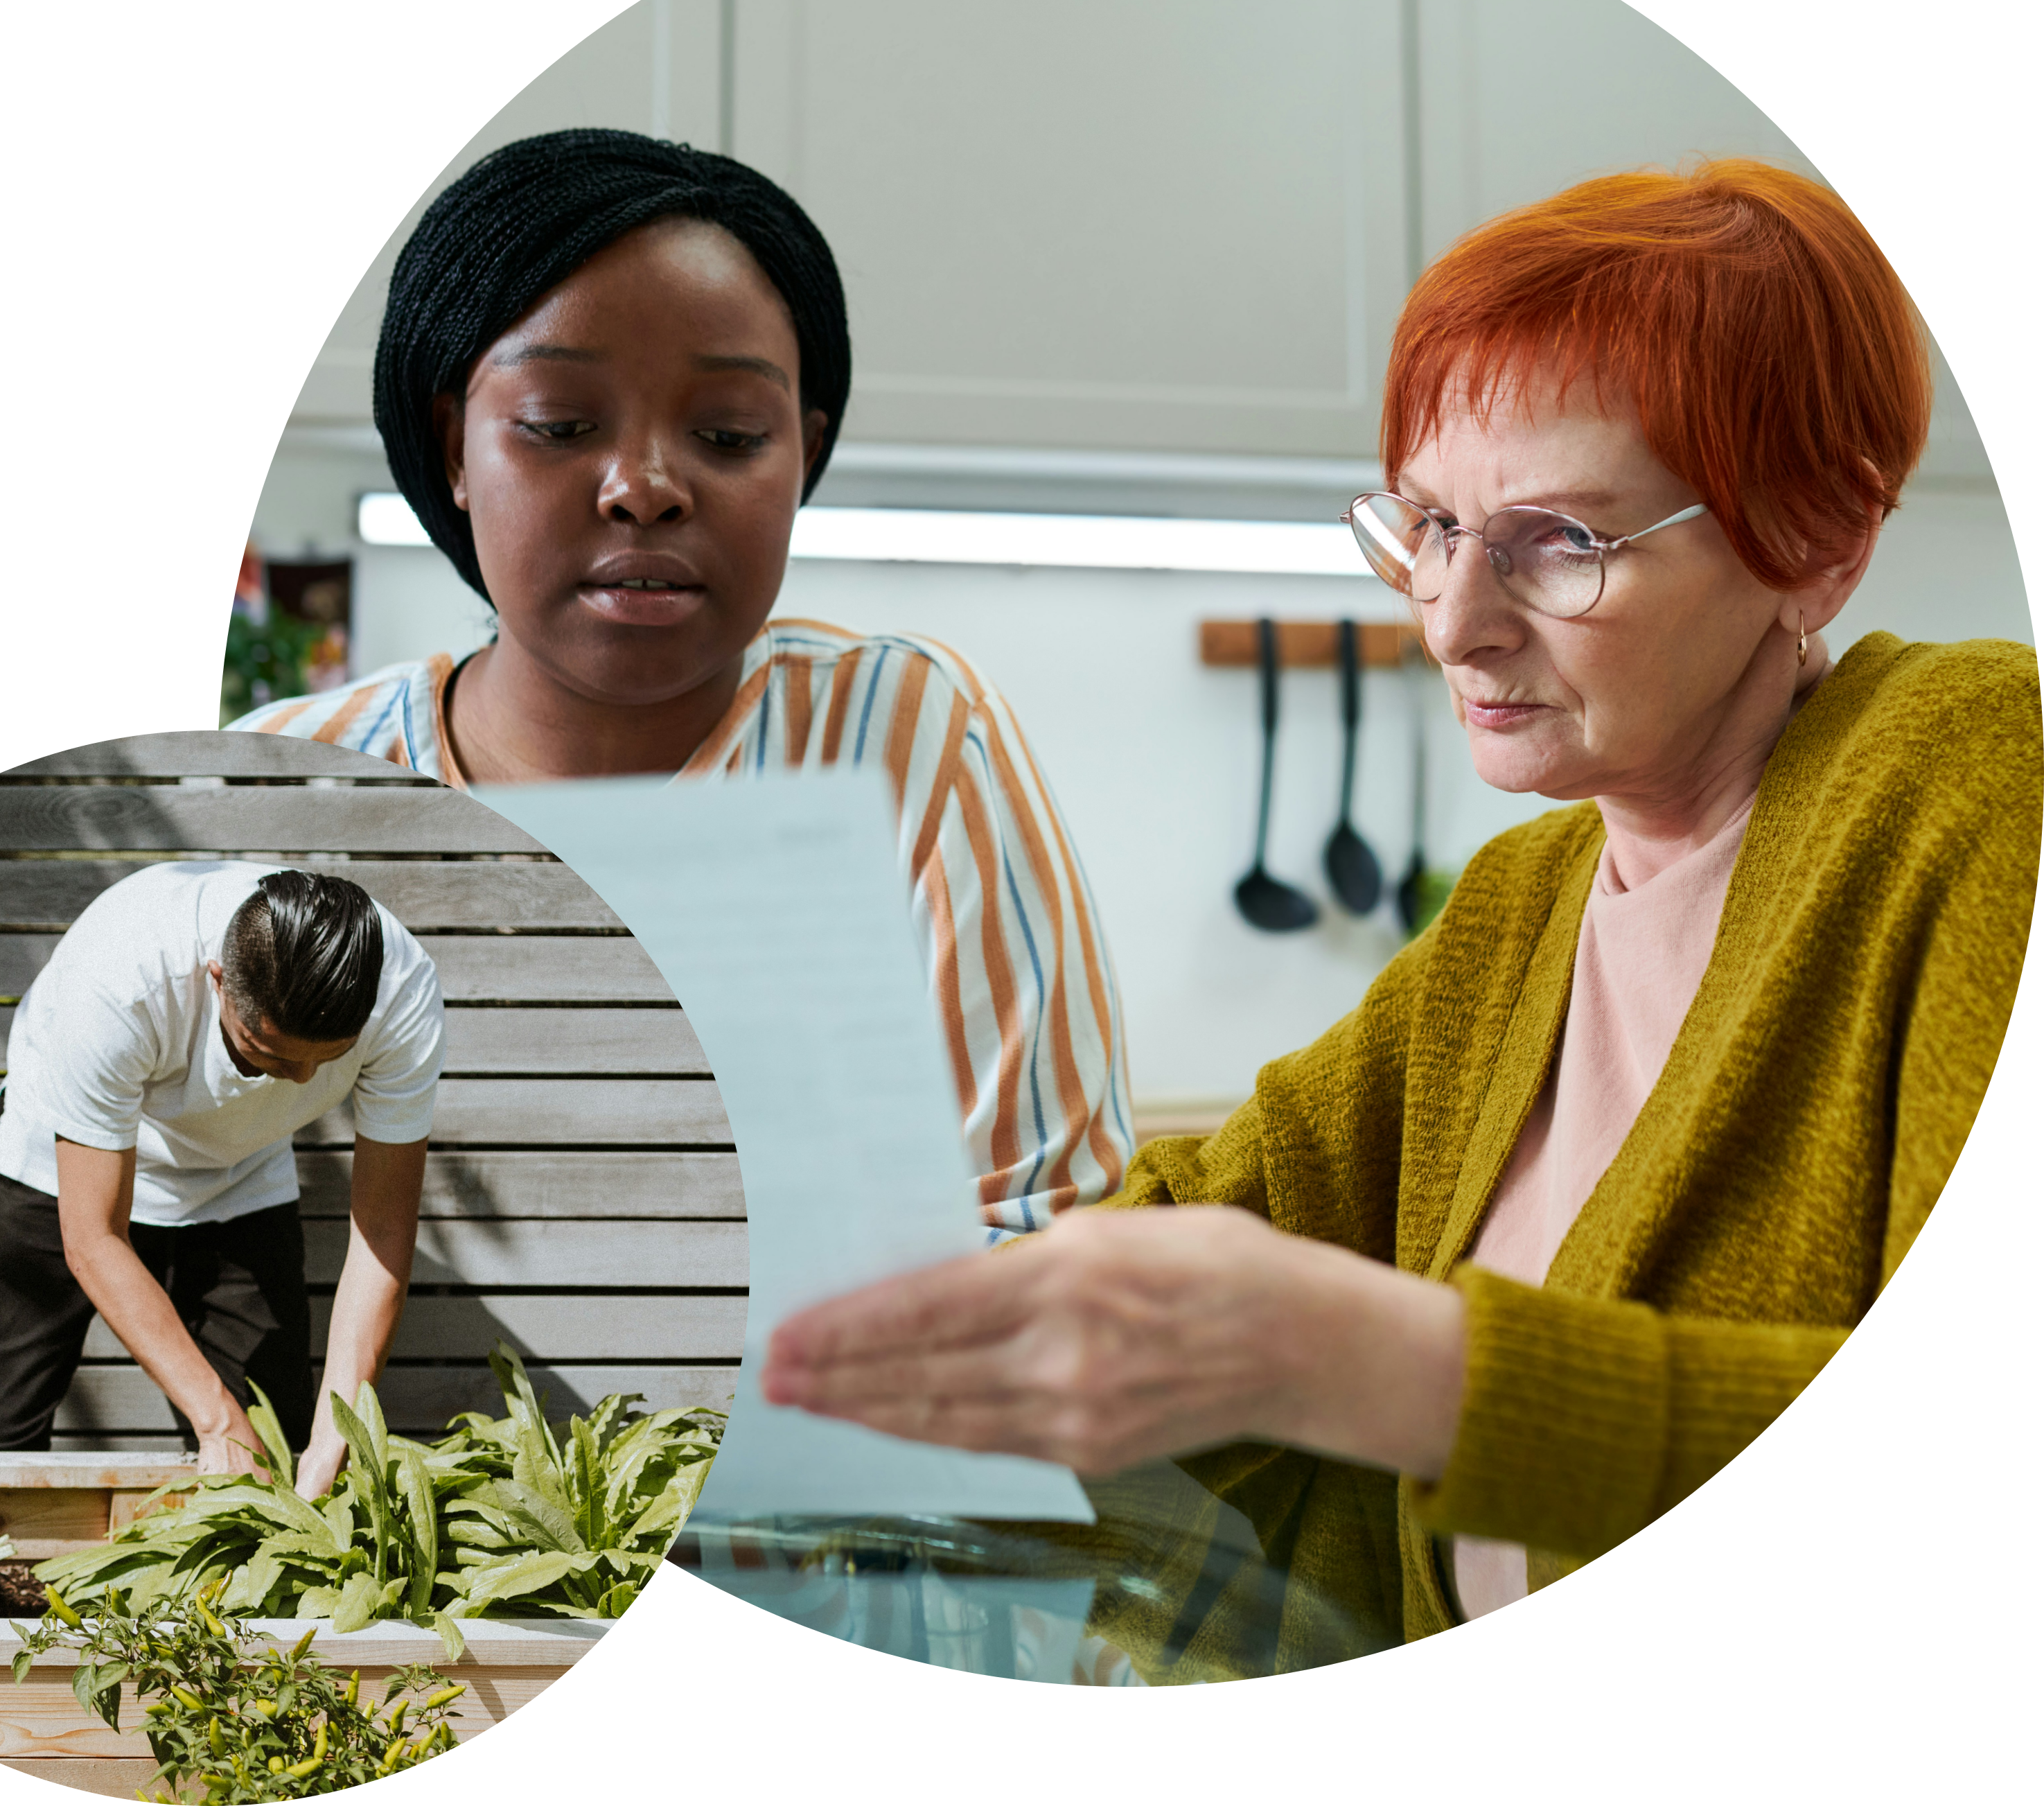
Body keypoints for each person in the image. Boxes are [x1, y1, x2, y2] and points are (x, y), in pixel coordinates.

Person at [759, 159, 2037, 1671]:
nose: (1449, 614)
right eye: (1426, 521)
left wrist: (1384, 1367)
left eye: (1558, 539)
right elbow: (1218, 1208)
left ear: (1817, 540)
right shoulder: (1522, 906)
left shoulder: (1973, 772)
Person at [231, 130, 1129, 1239]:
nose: (645, 488)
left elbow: (1048, 1225)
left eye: (728, 433)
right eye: (561, 425)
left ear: (802, 452)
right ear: (453, 448)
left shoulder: (902, 745)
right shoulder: (288, 785)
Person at [0, 865, 444, 1497]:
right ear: (218, 981)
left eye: (328, 1060)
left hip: (239, 1171)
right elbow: (94, 1237)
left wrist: (335, 1437)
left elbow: (381, 1231)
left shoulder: (401, 992)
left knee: (274, 1440)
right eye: (266, 1054)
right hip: (60, 1163)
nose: (299, 1082)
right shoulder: (120, 978)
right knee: (1, 1432)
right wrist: (214, 1419)